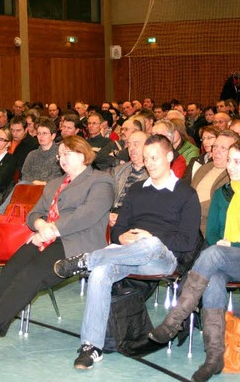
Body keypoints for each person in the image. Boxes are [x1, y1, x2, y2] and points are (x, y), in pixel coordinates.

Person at [0, 136, 114, 363]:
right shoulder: (54, 184)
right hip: (47, 237)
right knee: (12, 268)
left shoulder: (100, 181)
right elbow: (34, 214)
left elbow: (88, 214)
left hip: (78, 242)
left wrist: (53, 229)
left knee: (33, 272)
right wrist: (40, 225)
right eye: (60, 155)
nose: (61, 159)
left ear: (82, 154)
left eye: (67, 153)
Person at [52, 134, 200, 370]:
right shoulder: (137, 190)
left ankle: (85, 261)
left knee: (150, 244)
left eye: (155, 157)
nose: (150, 163)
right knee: (100, 273)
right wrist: (122, 237)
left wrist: (151, 238)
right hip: (128, 254)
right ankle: (91, 347)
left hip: (164, 258)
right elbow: (119, 226)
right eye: (146, 158)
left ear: (170, 157)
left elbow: (188, 241)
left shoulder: (186, 193)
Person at [149, 140, 240, 382]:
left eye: (237, 161)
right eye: (229, 160)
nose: (230, 166)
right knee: (215, 278)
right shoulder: (222, 194)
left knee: (214, 253)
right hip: (223, 259)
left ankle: (174, 319)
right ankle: (214, 357)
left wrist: (231, 245)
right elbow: (212, 234)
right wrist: (223, 245)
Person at [109, 130, 149, 227]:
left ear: (147, 146)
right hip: (112, 215)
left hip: (135, 220)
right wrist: (107, 214)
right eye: (129, 145)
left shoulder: (153, 173)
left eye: (136, 144)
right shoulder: (118, 170)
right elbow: (106, 195)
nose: (131, 148)